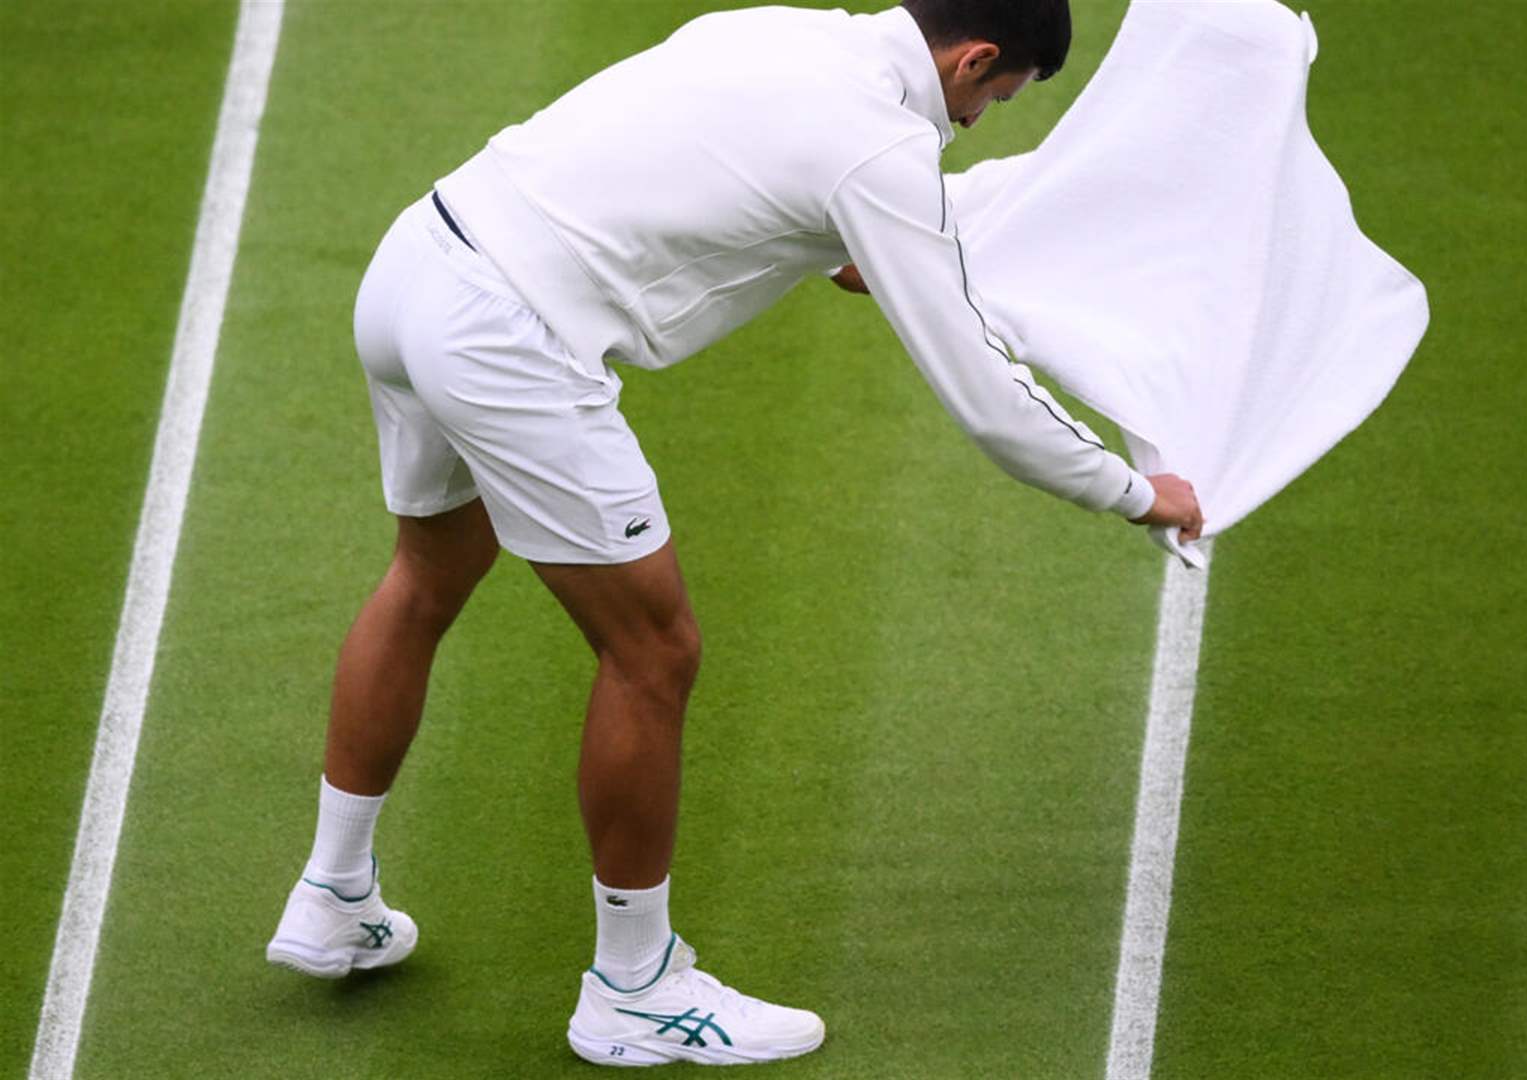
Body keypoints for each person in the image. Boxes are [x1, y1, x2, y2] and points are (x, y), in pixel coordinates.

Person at [265, 0, 1204, 1067]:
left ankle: (333, 895)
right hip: (509, 338)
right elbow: (986, 396)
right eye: (996, 96)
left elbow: (706, 163)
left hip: (415, 265)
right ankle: (634, 988)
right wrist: (1135, 490)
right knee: (654, 651)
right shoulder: (881, 149)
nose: (987, 117)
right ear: (976, 56)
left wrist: (834, 246)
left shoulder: (778, 31)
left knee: (426, 581)